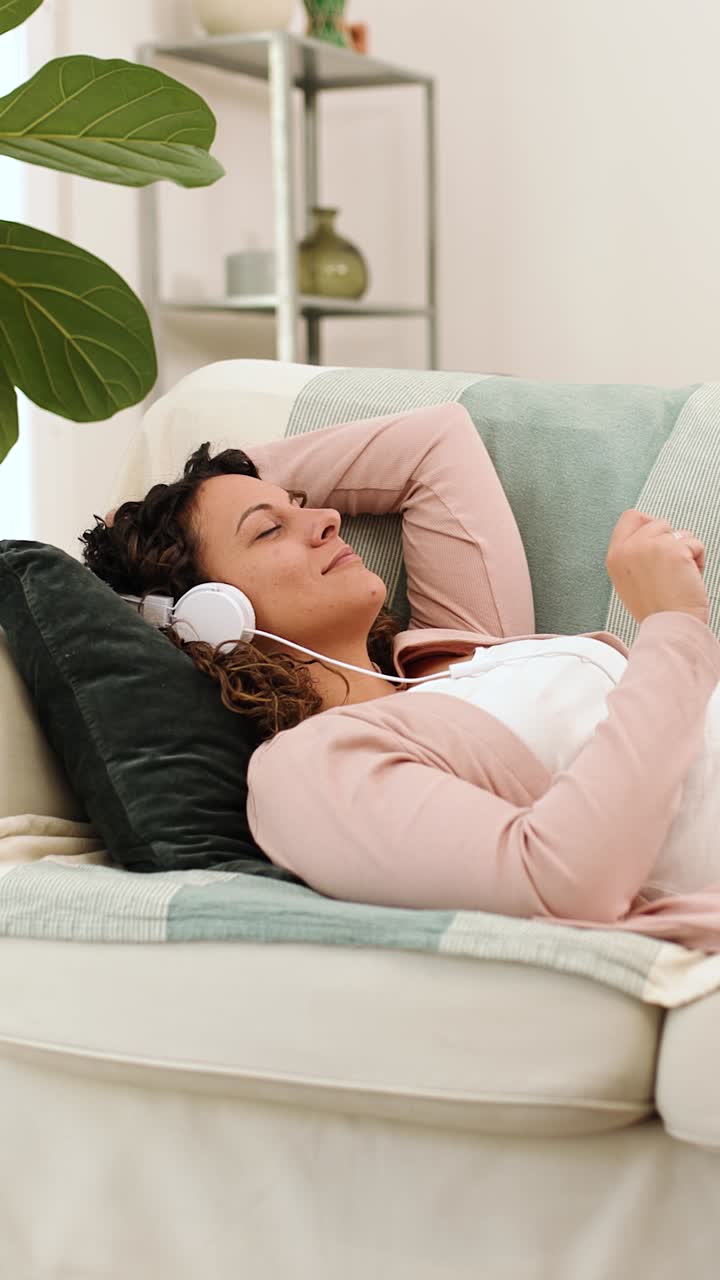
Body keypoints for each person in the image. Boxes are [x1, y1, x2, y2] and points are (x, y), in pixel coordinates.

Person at [82, 403, 720, 951]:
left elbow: (433, 442)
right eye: (271, 528)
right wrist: (673, 626)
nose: (328, 518)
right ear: (209, 617)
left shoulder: (448, 647)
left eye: (299, 505)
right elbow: (567, 881)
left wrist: (189, 488)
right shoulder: (307, 768)